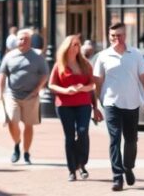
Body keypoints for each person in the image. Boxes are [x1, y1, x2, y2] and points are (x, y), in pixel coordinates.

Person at [93, 23, 144, 191]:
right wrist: (96, 105)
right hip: (111, 103)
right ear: (108, 36)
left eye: (119, 35)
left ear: (125, 36)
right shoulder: (103, 56)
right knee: (115, 139)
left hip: (132, 103)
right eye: (113, 35)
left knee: (131, 140)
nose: (116, 39)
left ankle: (128, 167)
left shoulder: (135, 54)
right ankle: (117, 176)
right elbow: (97, 83)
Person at [48, 34, 97, 182]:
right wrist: (66, 90)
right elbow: (51, 85)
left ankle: (81, 164)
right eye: (73, 44)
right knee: (69, 137)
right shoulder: (59, 64)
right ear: (66, 47)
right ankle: (72, 170)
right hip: (65, 105)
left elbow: (93, 85)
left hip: (83, 103)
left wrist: (84, 89)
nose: (76, 47)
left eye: (78, 45)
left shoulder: (85, 64)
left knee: (82, 132)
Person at [0, 28, 49, 164]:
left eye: (26, 39)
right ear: (16, 41)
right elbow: (2, 74)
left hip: (31, 96)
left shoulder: (37, 56)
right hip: (12, 94)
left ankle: (26, 152)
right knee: (12, 121)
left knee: (28, 125)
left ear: (30, 42)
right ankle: (17, 144)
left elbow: (45, 74)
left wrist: (37, 89)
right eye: (20, 39)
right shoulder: (9, 56)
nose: (23, 41)